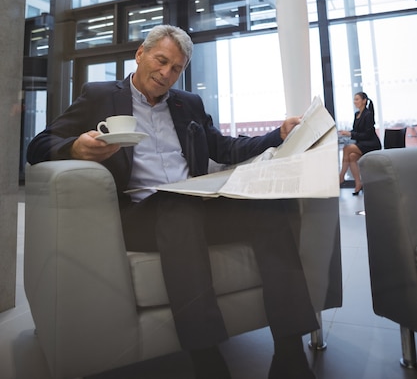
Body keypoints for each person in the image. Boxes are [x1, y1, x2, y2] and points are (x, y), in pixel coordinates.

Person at [27, 24, 318, 379]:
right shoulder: (101, 95)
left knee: (267, 201)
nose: (166, 73)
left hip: (194, 205)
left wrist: (278, 134)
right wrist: (75, 147)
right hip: (141, 215)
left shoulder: (188, 104)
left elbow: (224, 148)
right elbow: (39, 145)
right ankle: (206, 357)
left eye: (176, 68)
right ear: (140, 54)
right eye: (161, 61)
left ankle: (290, 353)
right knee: (178, 206)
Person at [338, 91, 381, 195]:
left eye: (357, 99)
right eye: (354, 99)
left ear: (364, 101)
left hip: (371, 144)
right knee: (352, 156)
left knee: (346, 148)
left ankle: (341, 176)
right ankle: (358, 184)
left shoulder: (368, 114)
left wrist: (350, 134)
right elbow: (356, 131)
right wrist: (347, 133)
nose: (355, 101)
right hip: (362, 143)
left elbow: (367, 135)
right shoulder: (357, 114)